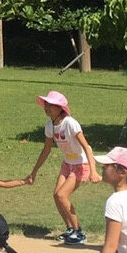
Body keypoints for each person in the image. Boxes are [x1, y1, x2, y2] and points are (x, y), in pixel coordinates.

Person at [23, 90, 101, 244]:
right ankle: (70, 229)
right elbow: (46, 150)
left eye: (51, 105)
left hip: (81, 163)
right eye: (46, 105)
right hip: (67, 163)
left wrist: (94, 171)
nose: (47, 108)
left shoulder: (70, 123)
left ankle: (79, 232)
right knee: (56, 195)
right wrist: (34, 172)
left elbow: (86, 147)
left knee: (61, 195)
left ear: (61, 108)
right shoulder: (49, 125)